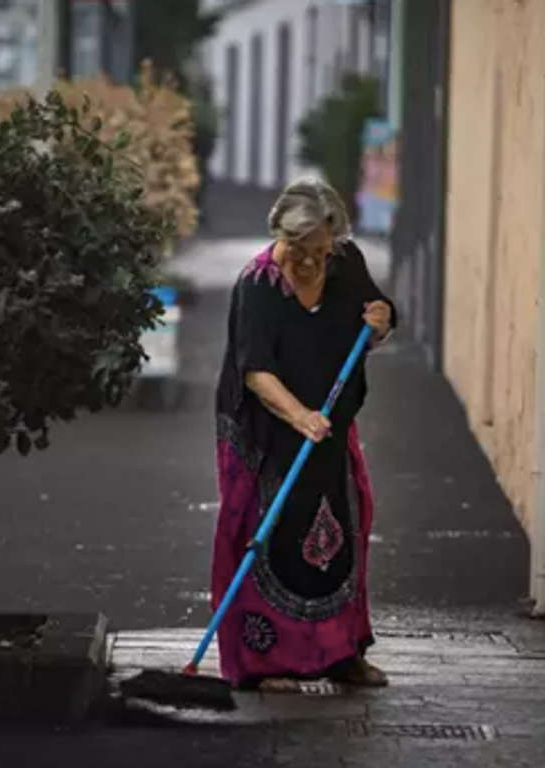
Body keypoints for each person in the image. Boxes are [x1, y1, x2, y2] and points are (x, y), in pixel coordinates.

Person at [211, 177, 397, 692]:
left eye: (321, 248)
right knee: (270, 532)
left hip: (330, 421)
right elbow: (255, 370)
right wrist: (300, 416)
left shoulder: (346, 261)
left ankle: (342, 653)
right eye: (300, 249)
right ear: (280, 236)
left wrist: (381, 323)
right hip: (266, 429)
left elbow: (377, 314)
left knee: (340, 527)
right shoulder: (257, 285)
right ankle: (266, 662)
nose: (312, 260)